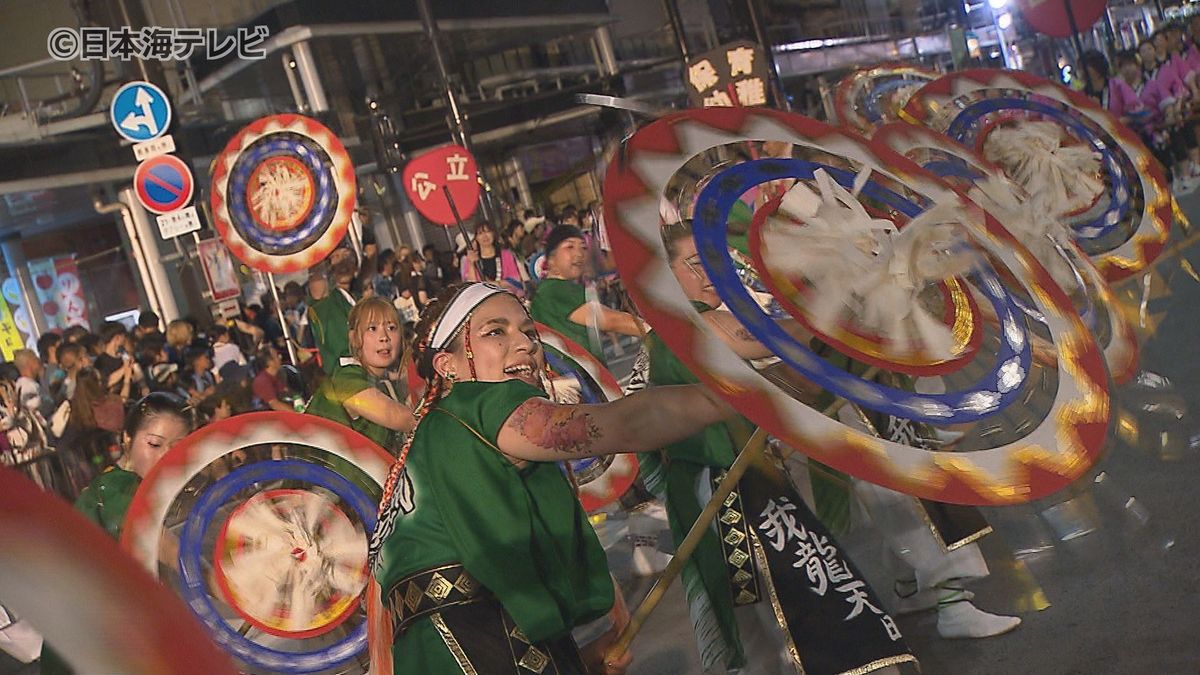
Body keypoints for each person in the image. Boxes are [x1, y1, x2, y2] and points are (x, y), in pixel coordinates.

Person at [367, 282, 736, 675]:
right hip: (477, 646)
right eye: (496, 331)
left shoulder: (427, 443)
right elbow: (629, 422)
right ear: (448, 365)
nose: (526, 343)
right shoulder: (475, 404)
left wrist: (578, 660)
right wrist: (744, 395)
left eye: (528, 331)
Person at [639, 224, 916, 674]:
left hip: (729, 484)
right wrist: (844, 315)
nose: (710, 275)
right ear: (663, 272)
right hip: (726, 495)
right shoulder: (689, 322)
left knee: (765, 617)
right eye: (695, 264)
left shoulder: (674, 328)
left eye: (713, 262)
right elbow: (772, 337)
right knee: (797, 600)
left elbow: (781, 378)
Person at [39, 392, 195, 675]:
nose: (165, 457)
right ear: (126, 438)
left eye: (177, 447)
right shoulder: (117, 493)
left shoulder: (131, 484)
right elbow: (179, 557)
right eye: (154, 444)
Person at [306, 297, 415, 449]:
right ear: (354, 338)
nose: (384, 337)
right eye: (372, 329)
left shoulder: (383, 379)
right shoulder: (346, 378)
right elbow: (396, 416)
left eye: (391, 328)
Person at [530, 225, 644, 362]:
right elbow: (611, 320)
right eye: (569, 247)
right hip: (581, 377)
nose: (579, 254)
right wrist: (655, 331)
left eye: (583, 248)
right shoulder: (556, 290)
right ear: (551, 259)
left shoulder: (545, 291)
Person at [309, 247, 359, 375]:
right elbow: (317, 286)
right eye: (336, 257)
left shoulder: (359, 296)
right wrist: (319, 249)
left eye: (346, 256)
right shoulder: (326, 301)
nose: (342, 262)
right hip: (344, 376)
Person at [460, 221, 528, 297]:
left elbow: (515, 281)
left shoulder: (506, 255)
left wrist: (493, 284)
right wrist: (471, 265)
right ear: (476, 238)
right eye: (480, 233)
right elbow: (471, 288)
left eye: (487, 231)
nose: (484, 236)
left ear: (493, 234)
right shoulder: (470, 260)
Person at [252, 346, 293, 412]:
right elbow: (274, 404)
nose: (280, 357)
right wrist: (298, 415)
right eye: (277, 356)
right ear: (270, 362)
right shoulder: (262, 381)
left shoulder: (278, 376)